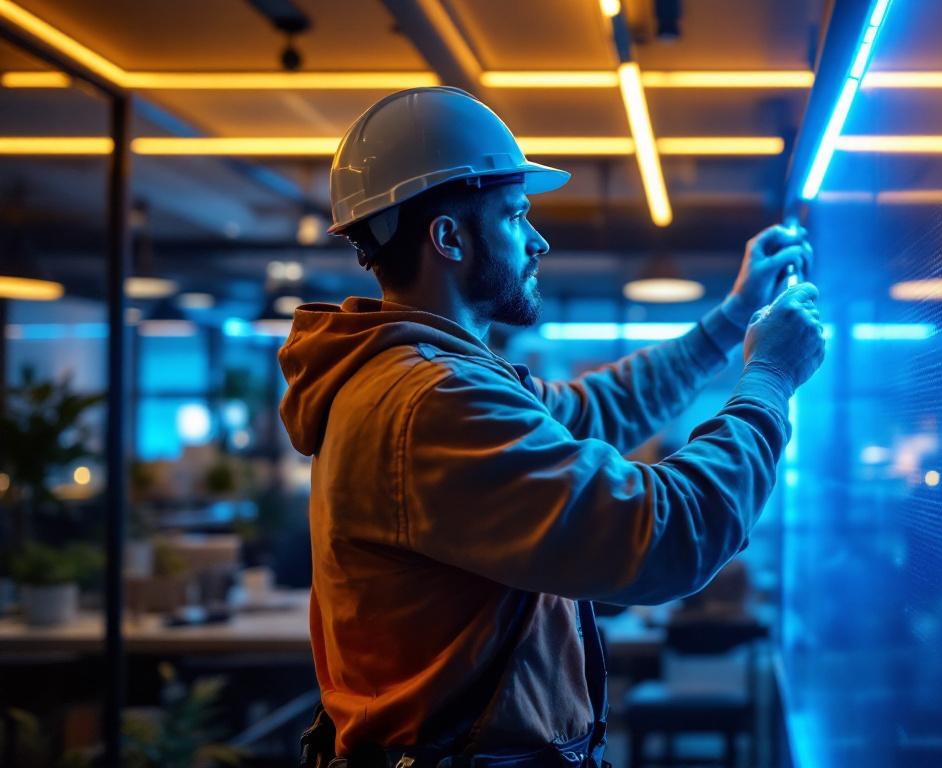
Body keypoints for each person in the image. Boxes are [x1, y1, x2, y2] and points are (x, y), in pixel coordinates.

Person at [278, 86, 825, 768]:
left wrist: (734, 319)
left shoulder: (435, 378)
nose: (538, 240)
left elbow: (598, 409)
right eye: (514, 216)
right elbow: (666, 536)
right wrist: (770, 378)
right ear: (447, 237)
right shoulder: (430, 403)